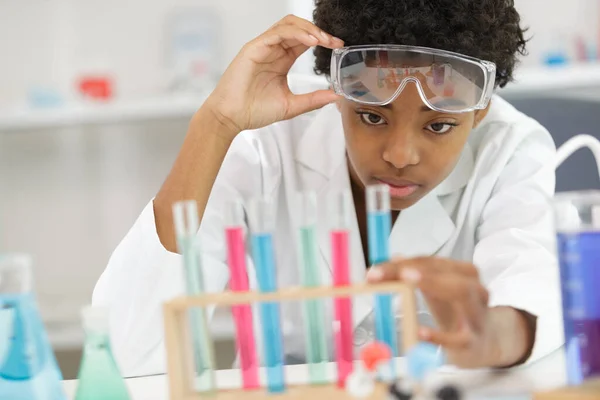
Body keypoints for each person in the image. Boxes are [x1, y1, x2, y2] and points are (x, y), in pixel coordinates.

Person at [93, 0, 563, 377]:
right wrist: (214, 124)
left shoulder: (510, 148)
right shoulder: (267, 140)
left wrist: (490, 337)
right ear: (340, 94)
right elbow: (129, 353)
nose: (400, 154)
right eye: (372, 116)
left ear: (478, 113)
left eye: (438, 126)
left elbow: (530, 291)